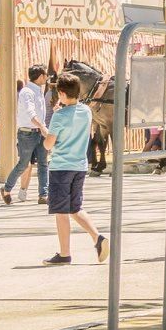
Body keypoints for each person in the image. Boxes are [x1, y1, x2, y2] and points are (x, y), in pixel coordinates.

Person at [41, 73, 106, 266]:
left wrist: (46, 131)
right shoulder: (86, 111)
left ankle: (64, 253)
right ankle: (97, 237)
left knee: (61, 212)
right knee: (75, 208)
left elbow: (48, 144)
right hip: (79, 166)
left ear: (61, 93)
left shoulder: (58, 116)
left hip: (61, 166)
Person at [3, 65, 51, 205]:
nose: (47, 78)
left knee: (43, 164)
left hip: (39, 132)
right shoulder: (27, 92)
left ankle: (43, 195)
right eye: (45, 75)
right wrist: (42, 127)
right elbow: (31, 114)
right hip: (27, 133)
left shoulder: (39, 91)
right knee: (23, 164)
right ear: (40, 76)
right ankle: (7, 188)